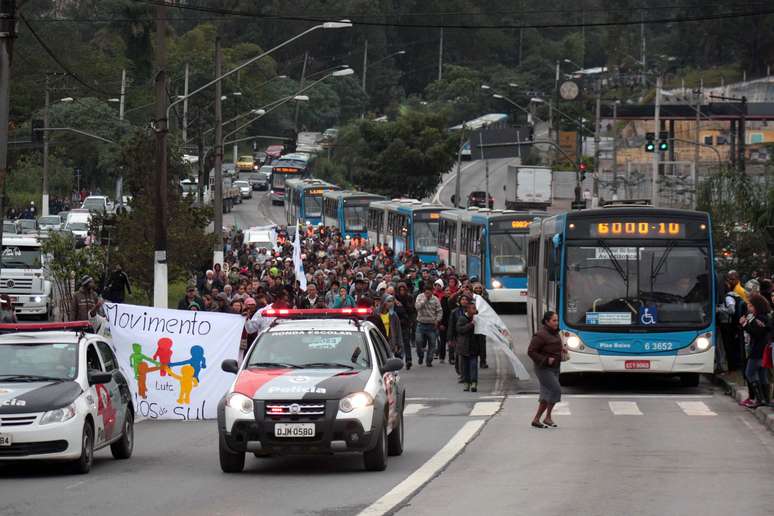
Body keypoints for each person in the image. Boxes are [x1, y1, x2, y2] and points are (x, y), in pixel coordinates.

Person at [528, 311, 563, 428]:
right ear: (547, 322)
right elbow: (531, 351)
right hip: (543, 368)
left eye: (557, 320)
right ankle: (542, 417)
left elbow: (554, 347)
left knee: (546, 393)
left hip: (555, 367)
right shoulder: (540, 335)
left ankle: (542, 419)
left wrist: (562, 351)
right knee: (555, 389)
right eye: (554, 320)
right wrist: (545, 360)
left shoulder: (555, 332)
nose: (556, 323)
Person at [740, 293, 771, 408]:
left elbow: (757, 333)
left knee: (750, 373)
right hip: (762, 349)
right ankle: (765, 399)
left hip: (758, 350)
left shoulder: (761, 318)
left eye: (751, 306)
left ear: (757, 306)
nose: (749, 308)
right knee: (762, 375)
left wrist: (744, 324)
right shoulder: (762, 317)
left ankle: (759, 399)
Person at [456, 301, 485, 392]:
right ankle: (466, 383)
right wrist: (471, 324)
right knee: (465, 367)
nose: (475, 310)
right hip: (464, 347)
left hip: (474, 347)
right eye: (473, 308)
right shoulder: (462, 319)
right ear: (468, 309)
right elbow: (460, 330)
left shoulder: (478, 319)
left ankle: (474, 383)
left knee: (473, 366)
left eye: (475, 308)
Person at [415, 283, 442, 367]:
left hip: (431, 325)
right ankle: (420, 356)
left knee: (432, 344)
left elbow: (439, 311)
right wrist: (425, 299)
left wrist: (437, 320)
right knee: (418, 342)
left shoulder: (435, 299)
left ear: (432, 292)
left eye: (429, 292)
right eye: (426, 292)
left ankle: (429, 360)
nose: (428, 294)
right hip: (421, 324)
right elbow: (417, 307)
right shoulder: (420, 297)